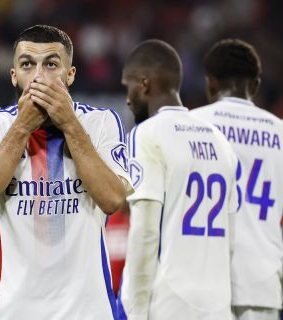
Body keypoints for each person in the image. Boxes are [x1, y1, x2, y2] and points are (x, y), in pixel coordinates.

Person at [0, 24, 132, 320]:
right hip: (12, 310)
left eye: (51, 64)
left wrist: (69, 124)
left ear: (70, 74)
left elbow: (112, 199)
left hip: (87, 311)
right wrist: (22, 127)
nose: (39, 76)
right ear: (14, 75)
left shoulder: (101, 122)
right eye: (27, 64)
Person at [119, 39, 238, 320]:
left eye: (129, 87)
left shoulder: (146, 134)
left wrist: (133, 311)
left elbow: (145, 232)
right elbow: (231, 238)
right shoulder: (220, 140)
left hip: (169, 303)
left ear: (145, 84)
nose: (127, 98)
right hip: (218, 305)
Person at [192, 39, 283, 320]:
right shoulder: (280, 132)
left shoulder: (191, 125)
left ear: (210, 84)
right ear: (255, 85)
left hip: (202, 278)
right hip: (262, 280)